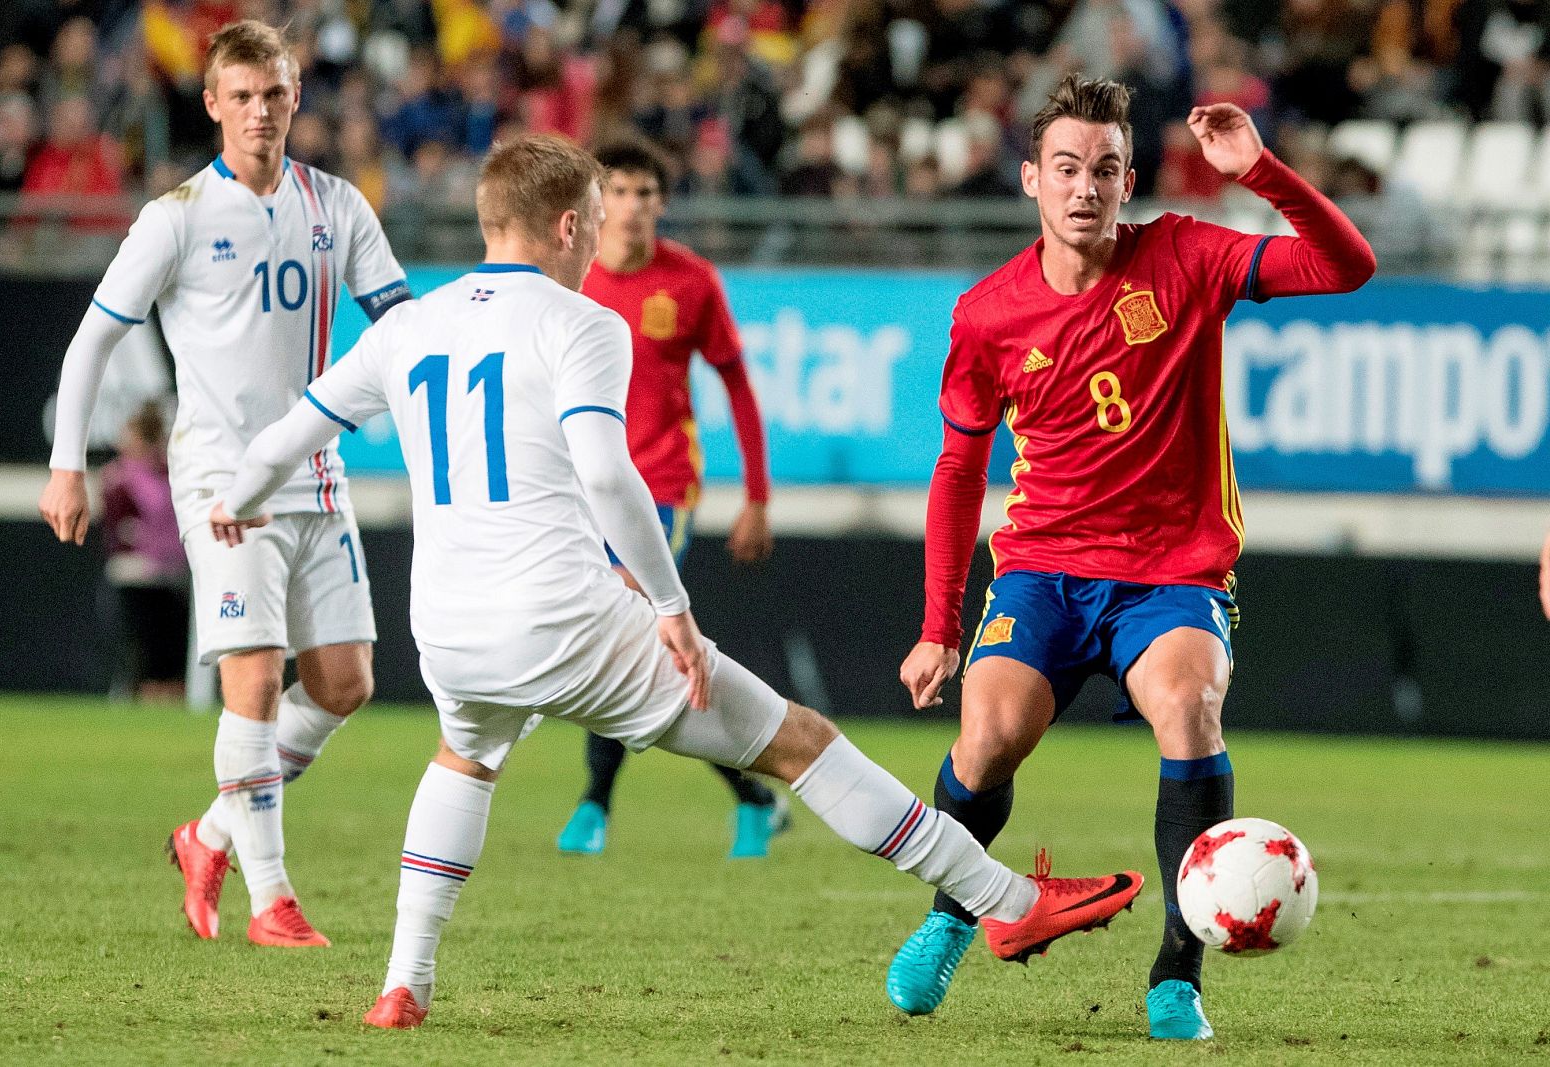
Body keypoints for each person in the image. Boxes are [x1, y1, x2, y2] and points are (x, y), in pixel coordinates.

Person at [207, 134, 1146, 1030]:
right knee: (799, 743)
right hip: (567, 620)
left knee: (467, 755)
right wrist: (673, 611)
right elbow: (612, 477)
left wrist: (235, 500)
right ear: (571, 226)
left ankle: (402, 987)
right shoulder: (583, 322)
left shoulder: (406, 329)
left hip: (448, 629)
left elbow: (290, 437)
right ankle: (1009, 900)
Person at [886, 74, 1375, 1039]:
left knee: (1190, 707)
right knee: (985, 742)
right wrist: (939, 624)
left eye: (1104, 170)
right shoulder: (988, 313)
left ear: (1128, 179)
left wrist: (1263, 171)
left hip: (1172, 575)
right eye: (1065, 168)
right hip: (1043, 571)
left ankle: (1176, 974)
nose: (1085, 188)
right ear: (1030, 179)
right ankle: (956, 910)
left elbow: (1346, 267)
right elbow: (956, 469)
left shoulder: (1185, 254)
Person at [38, 20, 412, 949]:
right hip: (220, 480)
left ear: (296, 98)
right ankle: (271, 898)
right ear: (211, 104)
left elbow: (403, 331)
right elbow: (93, 340)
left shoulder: (339, 206)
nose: (259, 111)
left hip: (315, 472)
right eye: (240, 96)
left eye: (274, 94)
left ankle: (206, 834)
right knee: (253, 678)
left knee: (345, 680)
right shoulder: (175, 216)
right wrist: (68, 466)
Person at [559, 138, 782, 860]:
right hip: (579, 487)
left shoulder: (690, 281)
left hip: (661, 484)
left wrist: (756, 497)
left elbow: (739, 388)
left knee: (622, 625)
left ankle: (594, 803)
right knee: (633, 644)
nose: (630, 207)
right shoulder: (570, 276)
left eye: (644, 193)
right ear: (598, 200)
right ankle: (752, 795)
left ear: (662, 201)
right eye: (618, 191)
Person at [99, 400, 189, 702]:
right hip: (134, 572)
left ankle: (167, 696)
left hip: (171, 572)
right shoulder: (118, 477)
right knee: (141, 645)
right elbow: (116, 526)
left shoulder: (171, 473)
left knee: (170, 646)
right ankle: (135, 694)